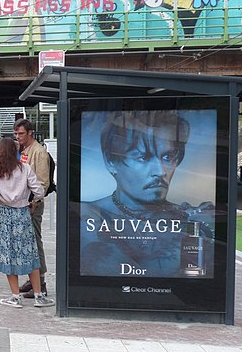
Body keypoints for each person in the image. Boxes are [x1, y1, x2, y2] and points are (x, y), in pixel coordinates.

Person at [80, 110, 213, 277]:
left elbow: (195, 276)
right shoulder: (88, 215)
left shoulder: (192, 218)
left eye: (167, 157)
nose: (160, 172)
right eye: (143, 157)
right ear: (110, 161)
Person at [0, 138, 55, 308]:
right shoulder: (25, 168)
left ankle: (15, 297)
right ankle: (39, 296)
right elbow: (39, 191)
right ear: (16, 152)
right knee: (30, 254)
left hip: (3, 217)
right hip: (23, 215)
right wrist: (32, 202)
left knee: (8, 255)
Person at [14, 119, 50, 297]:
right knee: (28, 244)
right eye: (16, 134)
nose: (18, 137)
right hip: (24, 204)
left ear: (30, 133)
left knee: (35, 242)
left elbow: (43, 182)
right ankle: (33, 279)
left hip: (33, 205)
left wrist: (34, 202)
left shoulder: (39, 152)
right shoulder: (25, 151)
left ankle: (41, 283)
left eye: (21, 134)